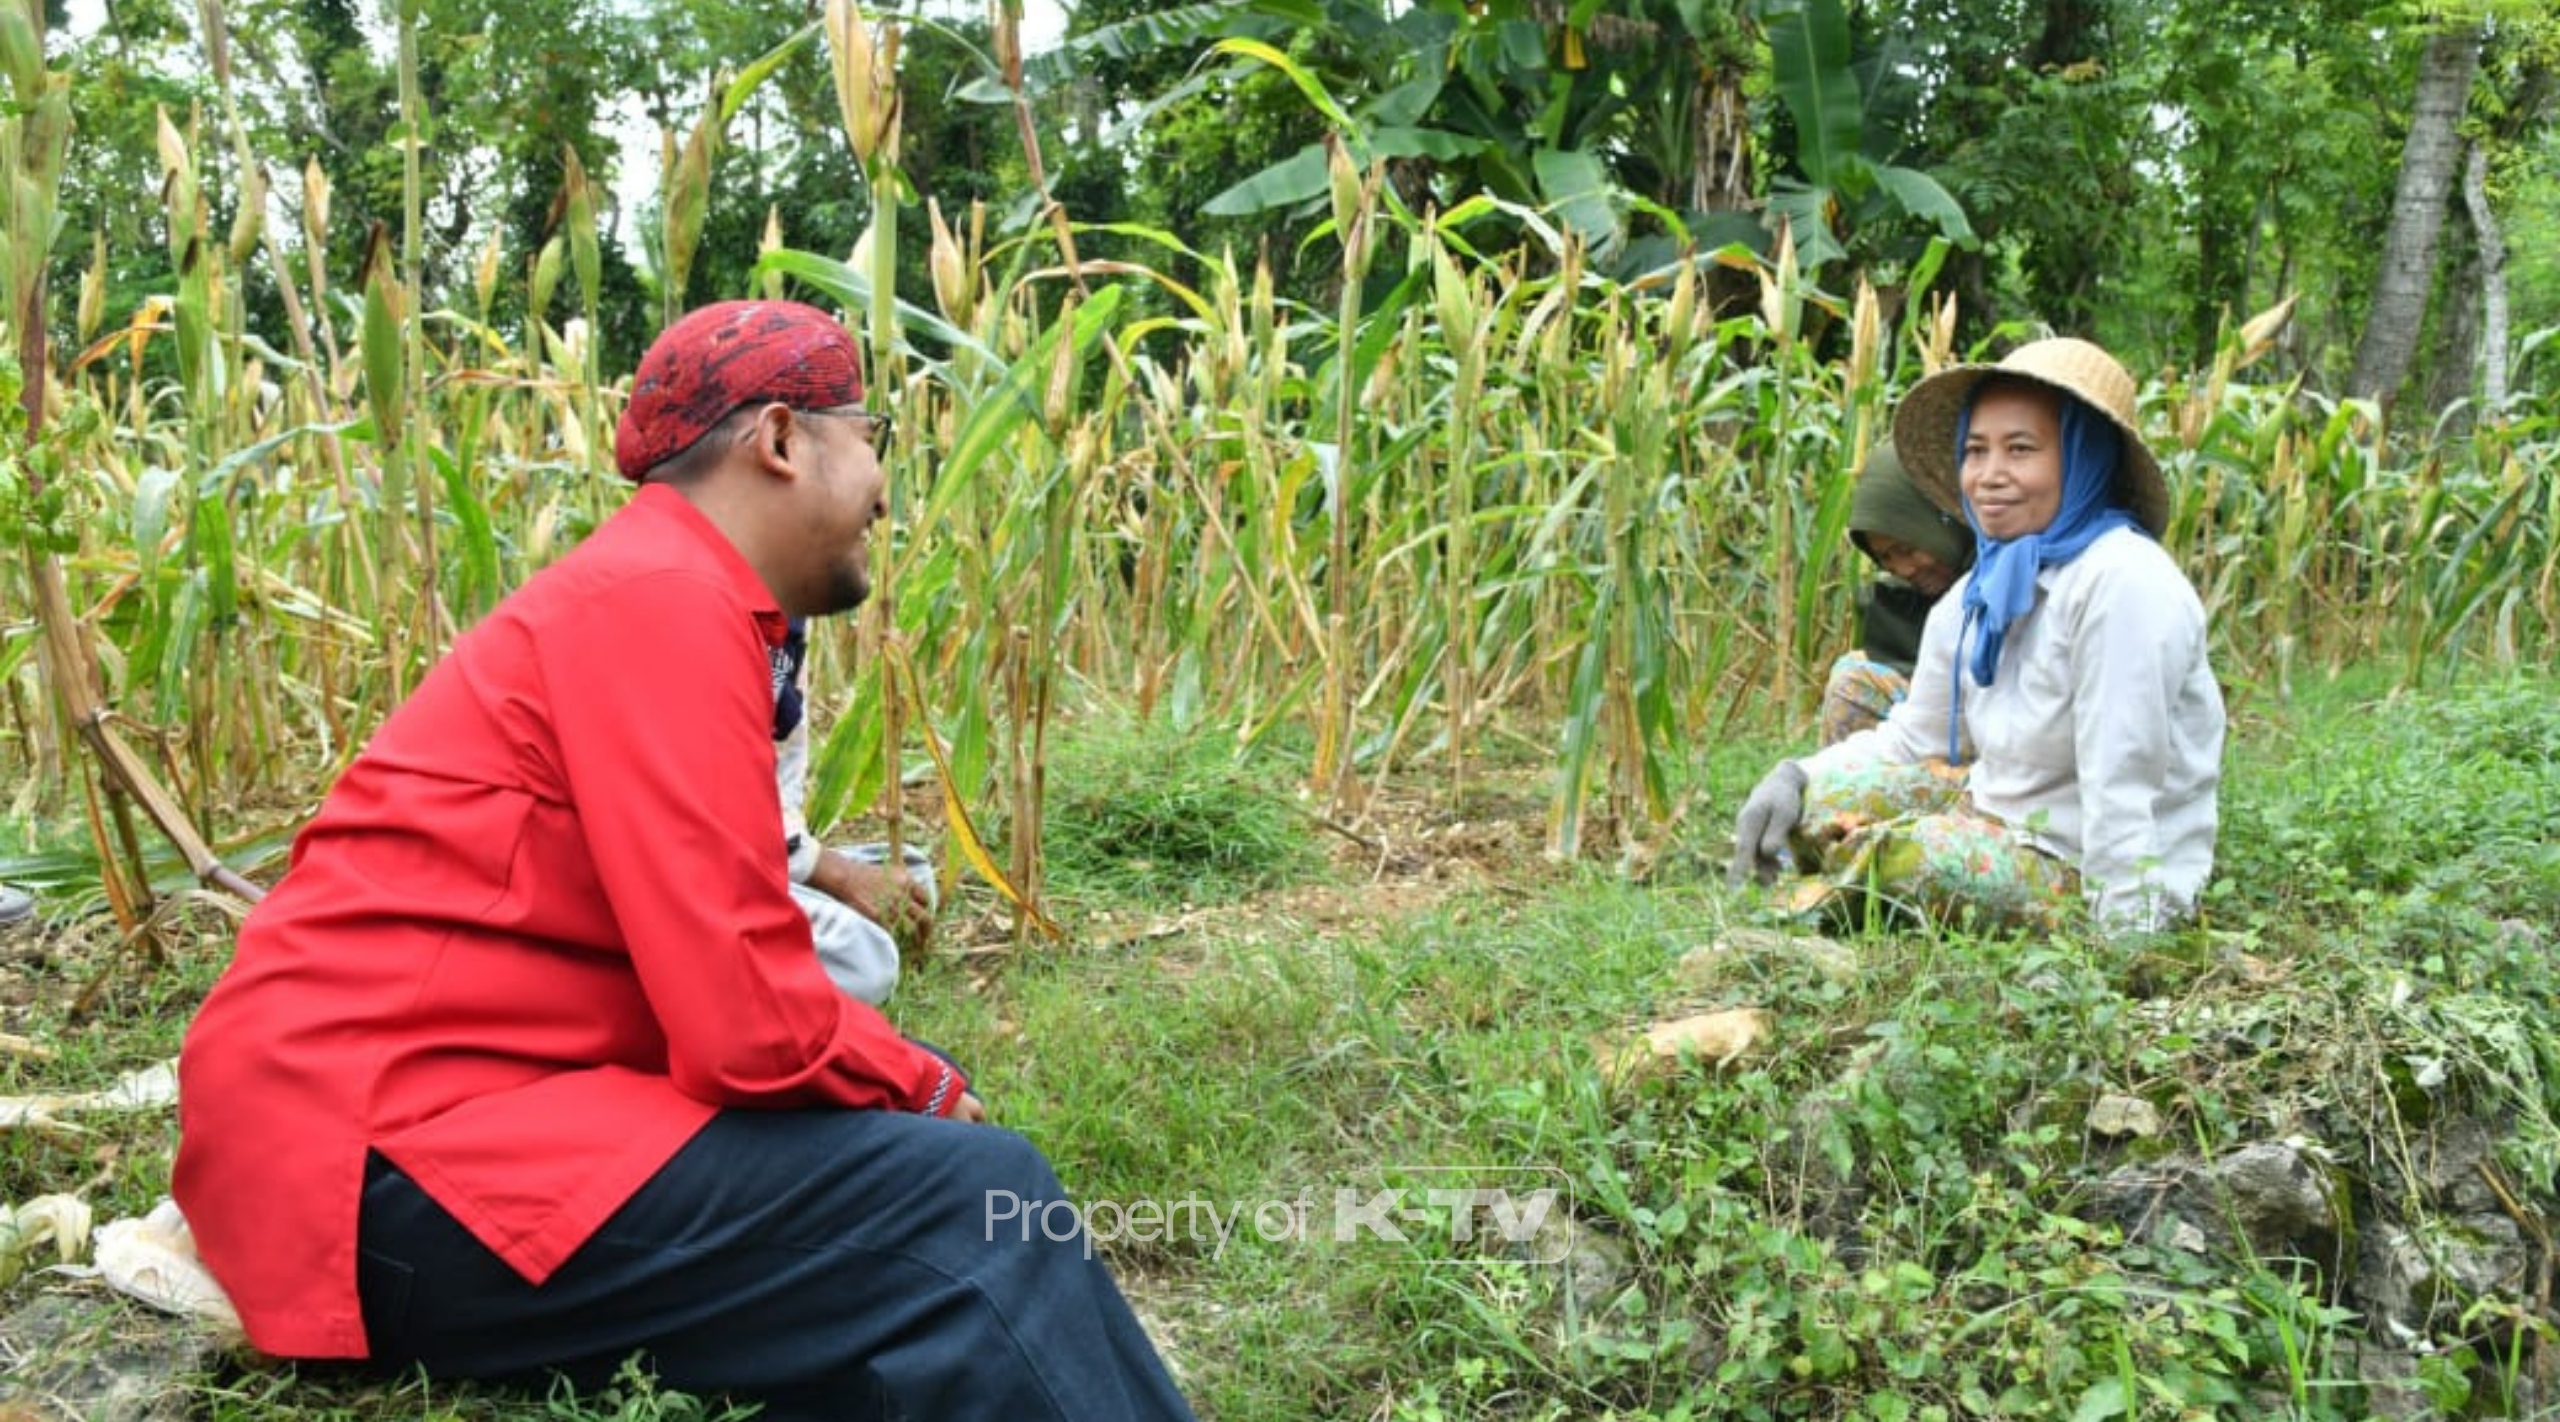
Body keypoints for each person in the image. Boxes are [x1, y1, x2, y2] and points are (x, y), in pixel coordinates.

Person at [173, 301, 1195, 1421]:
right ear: (780, 440)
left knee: (911, 1159)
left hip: (419, 1121)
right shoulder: (661, 600)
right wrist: (923, 1084)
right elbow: (747, 1029)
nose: (885, 489)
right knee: (970, 1202)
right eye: (871, 437)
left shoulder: (655, 586)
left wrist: (902, 1078)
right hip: (379, 1165)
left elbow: (724, 955)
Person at [1731, 336, 2224, 935]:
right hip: (1994, 817)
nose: (1990, 476)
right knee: (1817, 807)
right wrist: (1797, 775)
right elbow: (1914, 738)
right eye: (1976, 450)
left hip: (2075, 864)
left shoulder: (2120, 581)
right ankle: (1843, 877)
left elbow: (2123, 784)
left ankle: (1820, 897)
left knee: (1908, 857)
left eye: (2021, 450)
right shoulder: (1981, 591)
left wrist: (2127, 941)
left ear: (2082, 457)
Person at [770, 614, 936, 1005]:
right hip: (681, 877)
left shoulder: (785, 621)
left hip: (759, 852)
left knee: (914, 875)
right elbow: (708, 801)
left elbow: (779, 778)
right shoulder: (709, 608)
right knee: (864, 960)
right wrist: (835, 874)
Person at [1819, 439, 1972, 745]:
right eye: (1886, 558)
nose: (1903, 569)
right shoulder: (1904, 608)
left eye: (1906, 549)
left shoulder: (2011, 584)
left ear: (1944, 518)